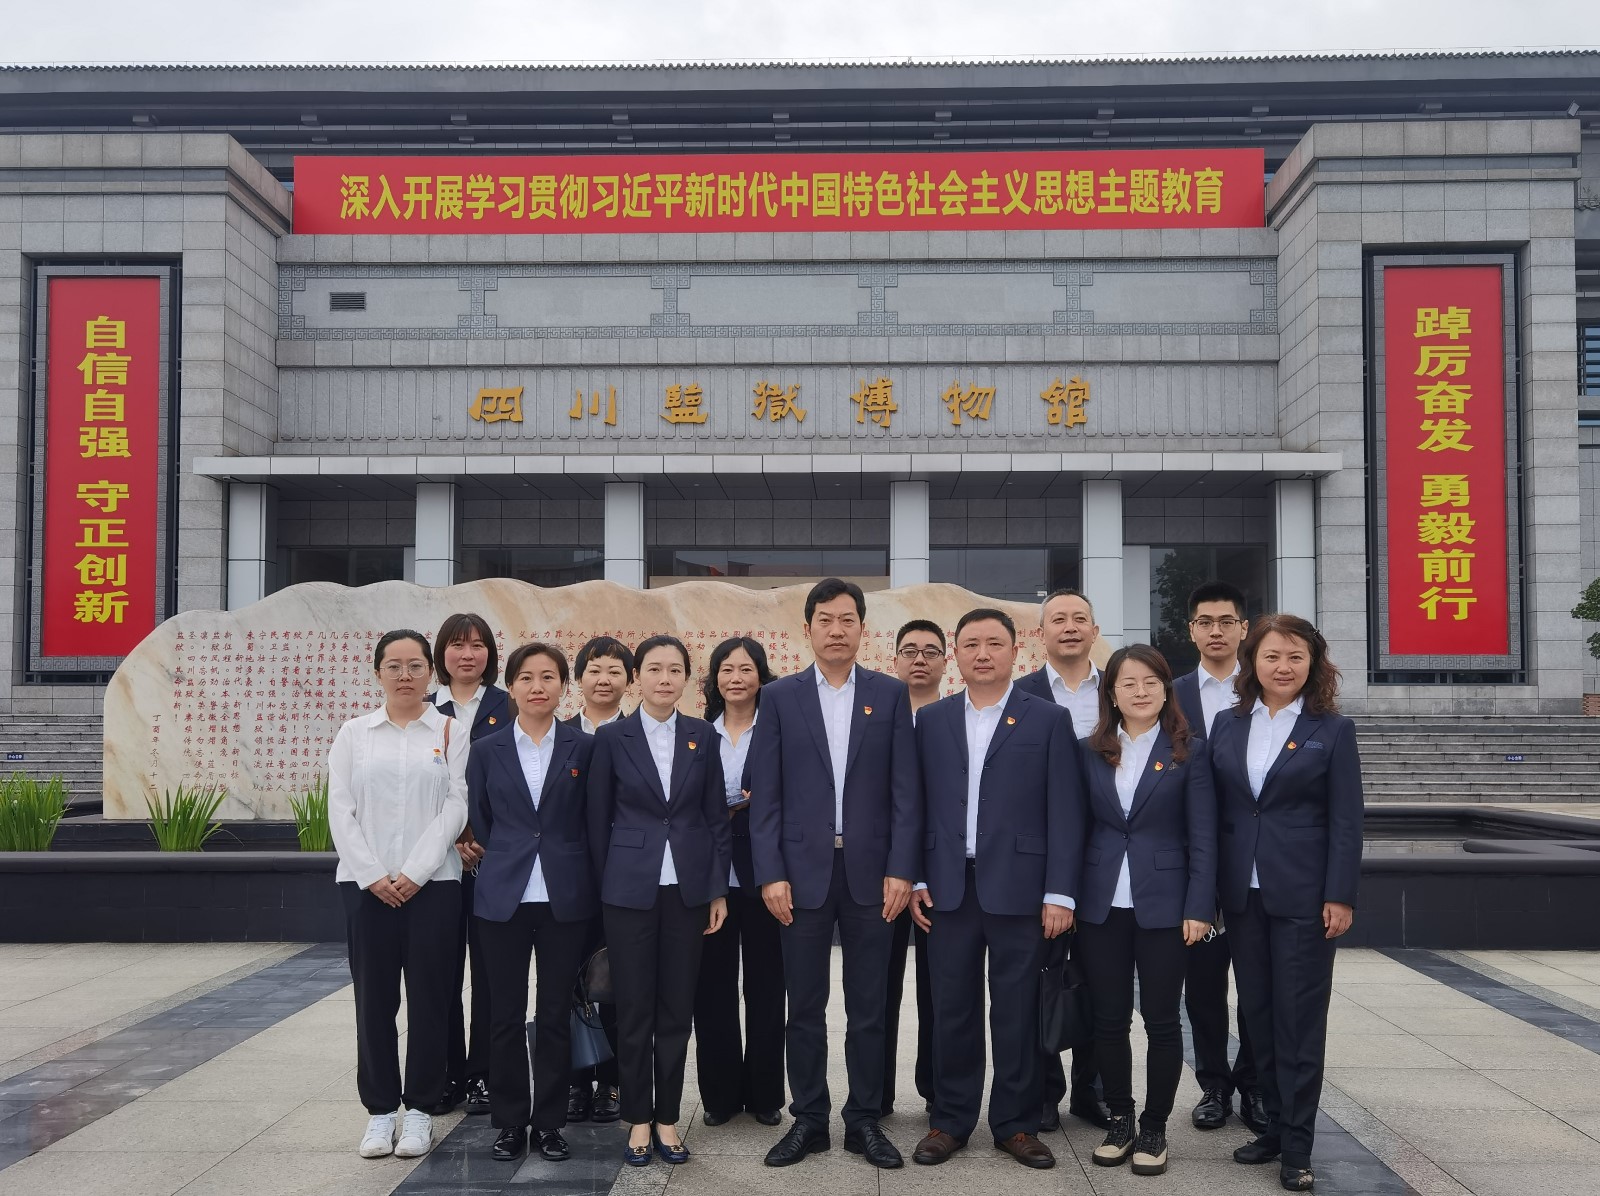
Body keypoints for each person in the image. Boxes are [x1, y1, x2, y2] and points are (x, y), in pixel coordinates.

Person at [749, 578, 920, 1170]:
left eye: (848, 619)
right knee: (805, 1005)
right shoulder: (780, 697)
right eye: (825, 620)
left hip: (873, 873)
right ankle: (810, 1119)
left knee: (869, 1005)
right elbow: (766, 794)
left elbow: (906, 793)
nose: (837, 630)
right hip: (800, 874)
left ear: (862, 628)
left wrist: (902, 868)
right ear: (808, 629)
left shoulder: (889, 694)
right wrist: (770, 872)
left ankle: (864, 1119)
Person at [909, 609, 1083, 1171]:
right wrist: (915, 876)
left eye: (993, 644)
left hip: (1022, 889)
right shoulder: (931, 719)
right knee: (951, 1009)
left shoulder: (1048, 719)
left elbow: (1066, 810)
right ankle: (950, 1120)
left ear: (1015, 651)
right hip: (947, 888)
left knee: (1017, 1011)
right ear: (955, 655)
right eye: (970, 644)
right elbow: (914, 805)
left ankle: (1016, 1124)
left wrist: (1060, 893)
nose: (982, 654)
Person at [1207, 614, 1363, 1193]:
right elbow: (1217, 810)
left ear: (1313, 664)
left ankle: (1298, 1147)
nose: (1283, 666)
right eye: (1272, 655)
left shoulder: (1332, 730)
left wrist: (1339, 893)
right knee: (1258, 1016)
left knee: (1298, 1022)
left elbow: (1347, 821)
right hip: (1241, 896)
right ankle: (1273, 1127)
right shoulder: (1227, 724)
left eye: (1295, 656)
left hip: (1303, 897)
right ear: (1253, 661)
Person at [588, 635, 732, 1167]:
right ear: (637, 677)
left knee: (676, 1008)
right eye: (654, 669)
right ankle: (638, 1120)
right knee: (633, 1011)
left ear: (687, 678)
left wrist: (716, 889)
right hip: (629, 891)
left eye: (675, 669)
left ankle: (667, 1118)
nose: (664, 678)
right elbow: (597, 822)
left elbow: (715, 818)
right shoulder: (612, 737)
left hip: (688, 891)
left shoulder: (703, 736)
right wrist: (606, 889)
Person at [1077, 644, 1217, 1177]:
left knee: (1161, 1019)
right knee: (1108, 1019)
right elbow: (1076, 827)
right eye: (1128, 683)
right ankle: (1121, 1119)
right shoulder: (1089, 750)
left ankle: (1155, 1126)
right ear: (1112, 693)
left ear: (1165, 689)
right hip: (1101, 903)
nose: (1140, 692)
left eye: (1150, 682)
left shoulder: (1190, 753)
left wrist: (1200, 906)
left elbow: (1203, 838)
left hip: (1166, 904)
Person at [328, 629, 468, 1162]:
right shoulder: (354, 734)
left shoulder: (450, 731)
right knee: (374, 1000)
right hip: (367, 888)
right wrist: (372, 875)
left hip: (434, 886)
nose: (405, 675)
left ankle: (421, 1110)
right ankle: (381, 1110)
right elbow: (340, 809)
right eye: (394, 666)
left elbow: (456, 805)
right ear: (378, 673)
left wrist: (414, 871)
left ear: (431, 671)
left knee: (432, 998)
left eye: (414, 665)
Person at [468, 642, 598, 1164]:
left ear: (563, 686)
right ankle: (508, 1122)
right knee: (503, 1014)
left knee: (554, 1015)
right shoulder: (487, 749)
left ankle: (549, 1123)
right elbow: (482, 819)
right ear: (511, 686)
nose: (537, 686)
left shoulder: (583, 748)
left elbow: (592, 819)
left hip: (565, 897)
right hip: (504, 897)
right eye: (526, 677)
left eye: (548, 677)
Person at [1013, 588, 1113, 1132]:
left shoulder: (1120, 688)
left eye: (1079, 619)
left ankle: (1091, 1090)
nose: (1069, 627)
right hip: (1040, 857)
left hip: (1106, 853)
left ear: (1094, 631)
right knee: (1042, 977)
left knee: (1099, 974)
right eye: (1058, 619)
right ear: (1041, 633)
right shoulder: (1020, 693)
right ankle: (1045, 1091)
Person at [1171, 582, 1266, 1135]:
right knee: (1203, 987)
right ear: (1191, 631)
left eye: (1226, 621)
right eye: (1204, 622)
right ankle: (1213, 1085)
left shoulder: (1266, 689)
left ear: (1243, 629)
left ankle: (1253, 1083)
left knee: (1255, 983)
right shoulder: (1172, 693)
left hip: (1253, 863)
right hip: (1193, 865)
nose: (1215, 631)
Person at [692, 635, 786, 1127]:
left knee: (768, 988)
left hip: (765, 876)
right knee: (712, 990)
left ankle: (766, 1095)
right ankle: (720, 1097)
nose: (736, 678)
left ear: (761, 677)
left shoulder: (777, 731)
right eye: (726, 669)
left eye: (746, 669)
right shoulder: (699, 734)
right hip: (710, 879)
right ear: (714, 679)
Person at [429, 612, 509, 1118]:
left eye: (477, 645)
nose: (467, 654)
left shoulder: (508, 705)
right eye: (457, 645)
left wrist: (480, 838)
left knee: (491, 975)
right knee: (439, 972)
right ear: (442, 653)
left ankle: (484, 1074)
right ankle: (446, 1074)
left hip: (493, 863)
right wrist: (451, 838)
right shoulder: (423, 708)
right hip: (434, 864)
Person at [564, 635, 636, 1125]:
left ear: (629, 680)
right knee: (568, 983)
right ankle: (575, 1082)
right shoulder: (560, 734)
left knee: (616, 982)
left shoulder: (638, 735)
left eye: (614, 671)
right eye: (594, 670)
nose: (604, 679)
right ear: (579, 678)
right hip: (568, 880)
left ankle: (612, 1082)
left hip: (624, 881)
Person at [883, 619, 946, 1117]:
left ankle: (937, 1091)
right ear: (895, 660)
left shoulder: (955, 718)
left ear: (946, 662)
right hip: (882, 874)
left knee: (938, 991)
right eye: (909, 651)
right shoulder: (877, 715)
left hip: (940, 880)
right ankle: (877, 1094)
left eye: (930, 651)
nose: (919, 659)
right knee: (879, 992)